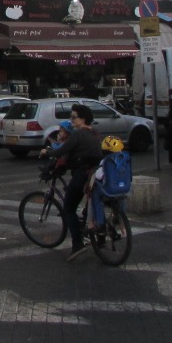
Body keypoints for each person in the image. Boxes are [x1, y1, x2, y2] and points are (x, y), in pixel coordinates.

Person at [39, 103, 103, 261]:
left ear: (83, 119)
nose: (72, 120)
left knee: (68, 207)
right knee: (84, 204)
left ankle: (77, 245)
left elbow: (62, 150)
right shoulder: (95, 133)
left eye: (74, 117)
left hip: (82, 174)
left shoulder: (78, 134)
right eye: (71, 117)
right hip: (96, 174)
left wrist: (47, 151)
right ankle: (95, 233)